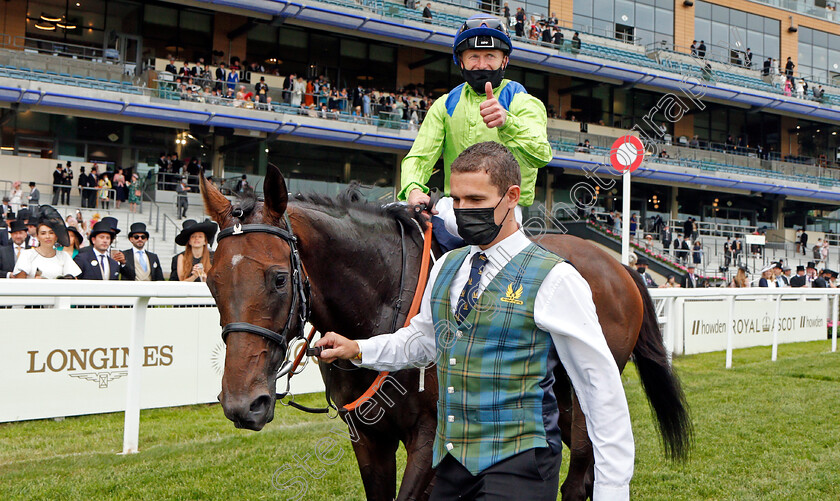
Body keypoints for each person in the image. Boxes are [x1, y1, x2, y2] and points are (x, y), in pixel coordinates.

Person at [314, 142, 634, 500]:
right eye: (457, 200)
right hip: (452, 463)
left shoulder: (556, 279)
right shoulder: (448, 266)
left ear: (512, 196)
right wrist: (358, 348)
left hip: (522, 465)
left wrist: (612, 491)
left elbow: (599, 389)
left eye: (476, 201)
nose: (463, 211)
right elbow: (424, 341)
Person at [400, 14, 552, 251]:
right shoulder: (445, 104)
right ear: (461, 62)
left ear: (504, 60)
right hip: (454, 207)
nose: (482, 65)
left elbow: (541, 154)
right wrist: (413, 188)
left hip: (503, 210)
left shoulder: (524, 102)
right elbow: (419, 157)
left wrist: (506, 122)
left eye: (490, 56)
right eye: (474, 57)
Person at [12, 206, 81, 279]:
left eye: (51, 233)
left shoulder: (64, 256)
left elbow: (74, 281)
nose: (47, 236)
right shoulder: (27, 254)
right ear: (37, 236)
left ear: (56, 236)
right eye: (43, 233)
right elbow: (19, 281)